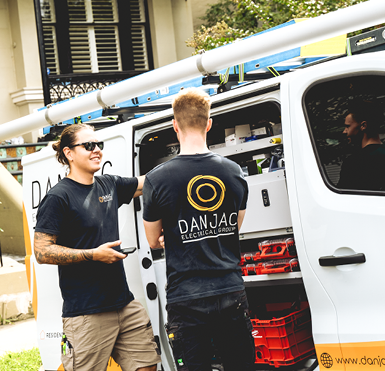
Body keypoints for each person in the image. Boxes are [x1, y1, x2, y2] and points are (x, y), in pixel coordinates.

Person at [142, 89, 254, 371]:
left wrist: (178, 235)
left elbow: (153, 240)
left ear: (174, 126)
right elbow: (233, 226)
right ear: (209, 123)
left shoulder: (157, 179)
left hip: (186, 296)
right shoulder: (233, 171)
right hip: (230, 290)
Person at [33, 123, 160, 371]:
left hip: (124, 304)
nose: (97, 150)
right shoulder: (59, 197)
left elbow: (149, 183)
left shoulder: (108, 185)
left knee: (146, 365)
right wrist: (93, 255)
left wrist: (186, 162)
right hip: (86, 312)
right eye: (89, 145)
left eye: (99, 145)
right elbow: (42, 251)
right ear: (69, 153)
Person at [337, 104, 385, 191]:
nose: (344, 131)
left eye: (348, 126)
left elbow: (342, 197)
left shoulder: (355, 162)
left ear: (363, 126)